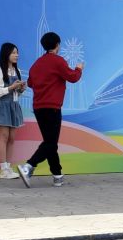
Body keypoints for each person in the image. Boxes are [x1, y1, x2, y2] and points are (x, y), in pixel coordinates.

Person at [22, 32, 80, 186]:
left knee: (50, 142)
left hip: (38, 108)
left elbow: (31, 83)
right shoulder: (58, 61)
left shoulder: (36, 64)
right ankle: (28, 166)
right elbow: (73, 77)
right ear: (57, 45)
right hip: (52, 108)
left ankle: (57, 175)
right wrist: (79, 68)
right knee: (50, 143)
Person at [0, 42, 28, 179]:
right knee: (3, 137)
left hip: (13, 106)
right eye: (13, 53)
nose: (17, 55)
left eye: (17, 52)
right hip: (2, 107)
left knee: (12, 138)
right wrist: (11, 87)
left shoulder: (18, 71)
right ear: (6, 54)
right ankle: (3, 170)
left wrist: (21, 89)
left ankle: (9, 168)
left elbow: (16, 93)